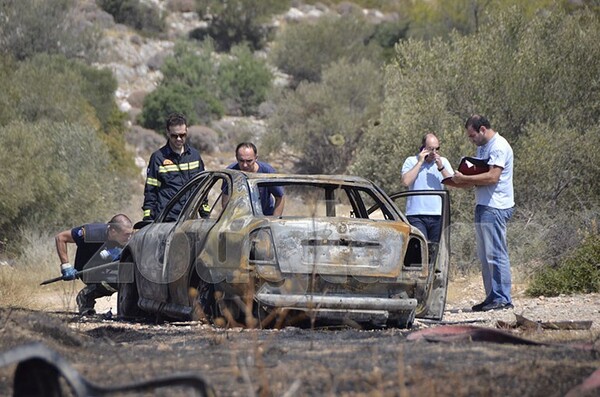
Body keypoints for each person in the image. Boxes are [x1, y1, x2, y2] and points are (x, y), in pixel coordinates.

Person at [451, 115, 514, 312]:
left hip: (495, 206)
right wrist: (460, 181)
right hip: (483, 204)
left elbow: (493, 176)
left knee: (496, 253)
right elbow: (481, 177)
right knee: (486, 256)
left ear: (483, 129)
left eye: (472, 136)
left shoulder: (499, 146)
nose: (471, 140)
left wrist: (465, 178)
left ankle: (503, 298)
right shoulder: (482, 148)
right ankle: (492, 296)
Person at [55, 214, 133, 315]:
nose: (129, 237)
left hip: (109, 266)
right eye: (126, 234)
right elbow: (60, 238)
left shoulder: (126, 239)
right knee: (119, 279)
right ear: (113, 231)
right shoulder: (92, 232)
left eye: (130, 234)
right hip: (89, 271)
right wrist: (66, 266)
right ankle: (86, 296)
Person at [143, 112, 205, 221]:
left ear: (186, 132)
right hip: (166, 220)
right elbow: (150, 191)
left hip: (190, 219)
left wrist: (205, 214)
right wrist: (148, 218)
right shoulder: (158, 158)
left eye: (182, 135)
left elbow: (202, 188)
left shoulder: (195, 156)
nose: (179, 139)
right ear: (167, 133)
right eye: (174, 136)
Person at [401, 133, 453, 243]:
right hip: (416, 215)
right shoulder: (411, 161)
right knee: (420, 246)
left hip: (437, 215)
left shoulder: (443, 162)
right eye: (431, 149)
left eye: (437, 149)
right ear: (423, 148)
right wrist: (420, 162)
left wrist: (441, 167)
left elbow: (452, 184)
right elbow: (406, 182)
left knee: (435, 249)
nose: (434, 153)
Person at [222, 142, 285, 216]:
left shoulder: (267, 172)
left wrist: (274, 221)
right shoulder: (231, 172)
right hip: (240, 218)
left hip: (265, 216)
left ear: (256, 158)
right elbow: (225, 199)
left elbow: (280, 197)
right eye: (241, 161)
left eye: (249, 161)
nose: (245, 165)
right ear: (236, 158)